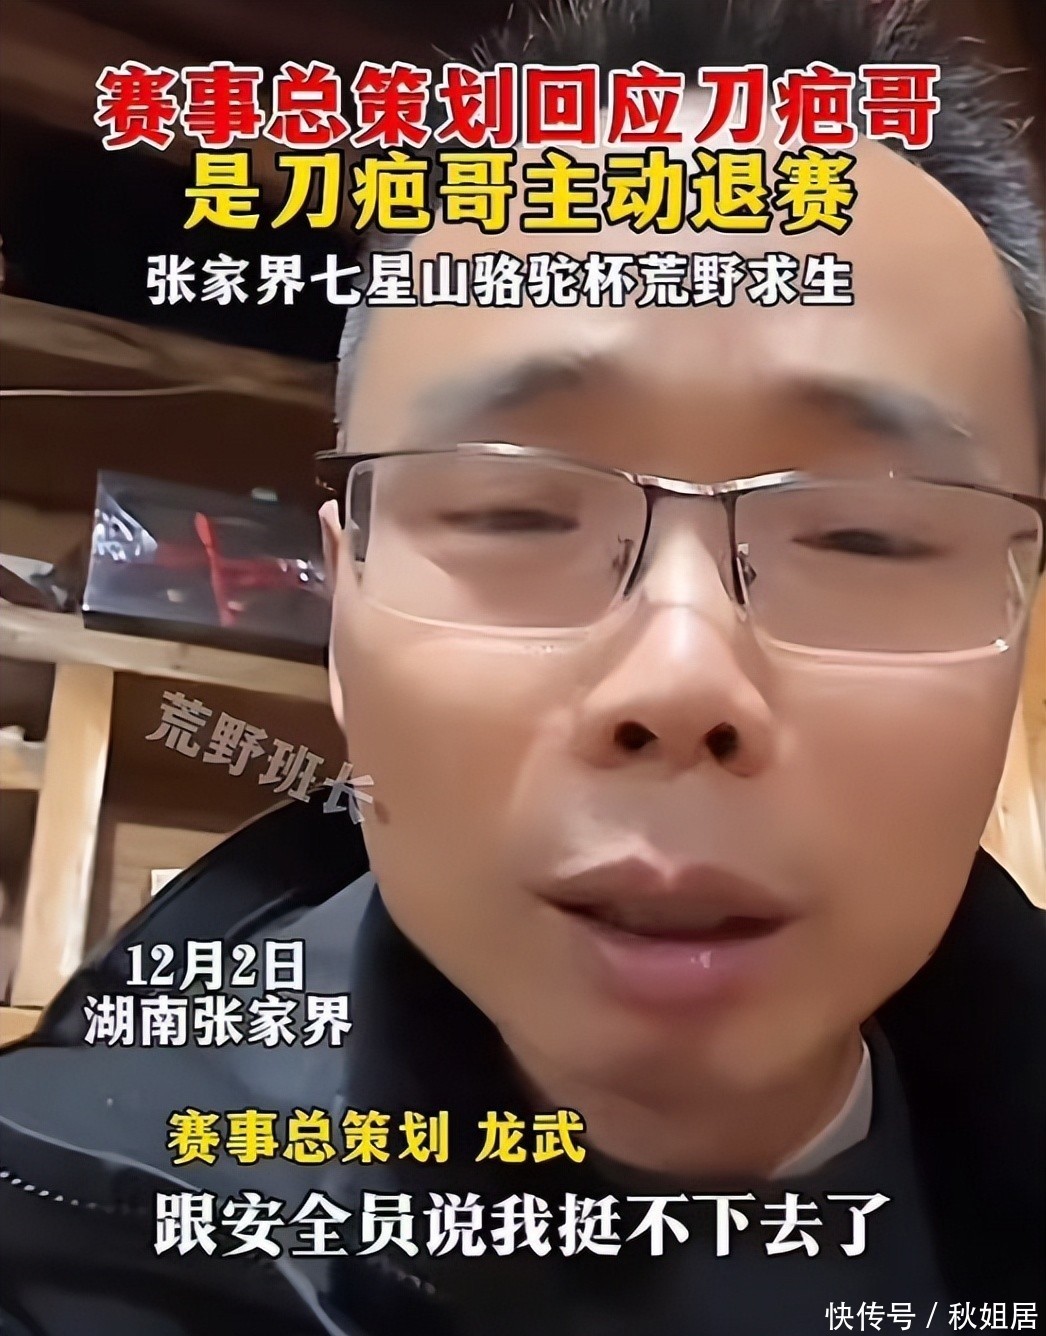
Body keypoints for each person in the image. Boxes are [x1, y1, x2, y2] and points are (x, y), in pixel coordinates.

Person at [1, 2, 1044, 1332]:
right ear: (345, 604)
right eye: (515, 513)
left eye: (864, 534)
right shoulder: (62, 1231)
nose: (679, 678)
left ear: (1018, 621)